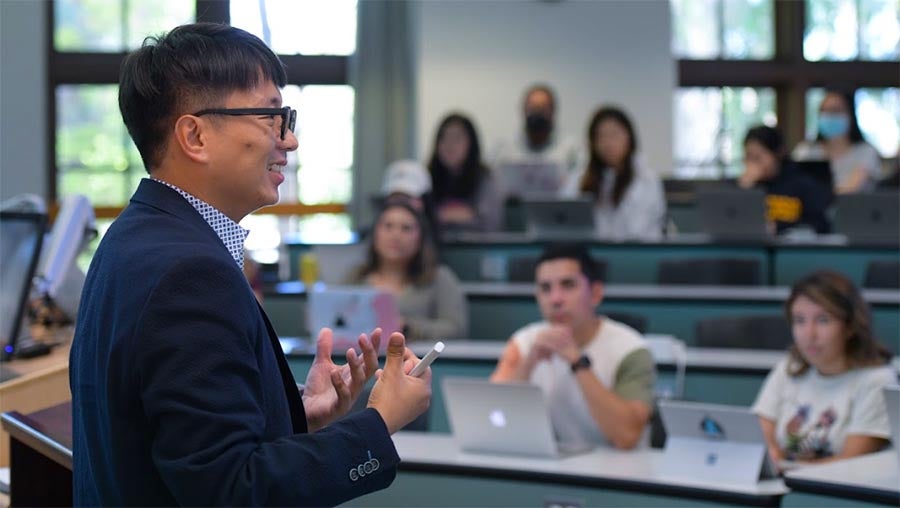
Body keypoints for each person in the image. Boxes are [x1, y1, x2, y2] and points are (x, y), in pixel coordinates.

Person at [69, 23, 432, 506]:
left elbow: (179, 447)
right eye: (272, 117)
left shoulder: (132, 236)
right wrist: (379, 422)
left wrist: (293, 413)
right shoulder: (190, 274)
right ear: (195, 135)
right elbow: (231, 491)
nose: (290, 140)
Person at [490, 244, 656, 449]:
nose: (555, 299)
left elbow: (627, 436)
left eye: (568, 285)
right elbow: (490, 416)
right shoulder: (523, 343)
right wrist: (528, 364)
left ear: (595, 293)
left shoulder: (630, 349)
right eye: (545, 288)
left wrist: (578, 362)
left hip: (620, 467)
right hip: (552, 465)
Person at [753, 270, 896, 465]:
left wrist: (785, 468)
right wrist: (772, 457)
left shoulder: (877, 380)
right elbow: (761, 435)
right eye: (800, 320)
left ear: (850, 326)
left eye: (823, 320)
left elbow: (851, 463)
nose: (809, 334)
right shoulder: (788, 367)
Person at [346, 200, 468, 342]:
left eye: (406, 228)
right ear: (375, 234)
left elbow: (457, 329)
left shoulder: (440, 278)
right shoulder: (356, 276)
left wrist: (408, 328)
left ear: (420, 238)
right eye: (388, 226)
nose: (396, 235)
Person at [562, 106, 666, 241]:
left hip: (634, 251)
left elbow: (641, 230)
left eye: (614, 135)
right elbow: (565, 221)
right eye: (601, 136)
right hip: (589, 250)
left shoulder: (646, 180)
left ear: (629, 138)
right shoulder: (579, 179)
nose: (608, 143)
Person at [739, 125, 833, 234]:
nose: (752, 163)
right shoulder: (746, 184)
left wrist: (778, 227)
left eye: (758, 157)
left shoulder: (802, 183)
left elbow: (819, 223)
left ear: (777, 153)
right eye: (748, 157)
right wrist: (744, 190)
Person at [492, 84, 583, 196]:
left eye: (543, 109)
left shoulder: (571, 149)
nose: (538, 113)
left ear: (553, 112)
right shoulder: (503, 148)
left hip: (555, 205)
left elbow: (577, 188)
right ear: (523, 110)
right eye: (533, 108)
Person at [793, 88, 883, 194]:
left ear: (850, 114)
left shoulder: (866, 152)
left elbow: (850, 190)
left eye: (835, 110)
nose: (829, 116)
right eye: (824, 111)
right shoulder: (805, 151)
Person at [427, 113, 502, 232]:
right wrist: (465, 215)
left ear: (471, 144)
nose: (449, 145)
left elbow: (491, 224)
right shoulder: (426, 178)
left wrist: (442, 215)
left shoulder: (485, 178)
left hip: (477, 244)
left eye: (457, 138)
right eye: (443, 138)